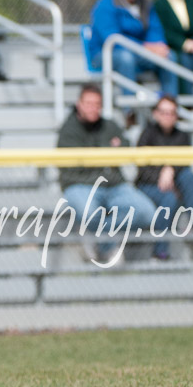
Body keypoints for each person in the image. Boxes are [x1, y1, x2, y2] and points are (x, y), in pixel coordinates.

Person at [57, 84, 158, 263]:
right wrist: (108, 151)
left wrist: (100, 158)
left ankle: (100, 242)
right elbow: (72, 172)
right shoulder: (68, 131)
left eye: (97, 104)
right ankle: (108, 245)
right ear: (78, 104)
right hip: (80, 186)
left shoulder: (109, 124)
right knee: (89, 214)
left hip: (114, 185)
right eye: (88, 103)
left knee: (146, 212)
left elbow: (126, 147)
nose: (93, 108)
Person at [88, 0, 179, 99]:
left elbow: (155, 31)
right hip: (105, 53)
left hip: (139, 52)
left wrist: (158, 46)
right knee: (126, 58)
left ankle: (169, 105)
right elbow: (113, 39)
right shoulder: (106, 4)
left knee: (168, 56)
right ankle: (130, 111)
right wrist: (146, 47)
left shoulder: (146, 5)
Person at [136, 96, 193, 260]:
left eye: (171, 113)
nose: (167, 116)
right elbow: (142, 170)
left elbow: (184, 163)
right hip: (148, 185)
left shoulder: (182, 135)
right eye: (163, 112)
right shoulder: (147, 134)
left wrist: (170, 169)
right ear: (156, 114)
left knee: (188, 177)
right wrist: (163, 174)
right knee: (169, 199)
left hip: (174, 182)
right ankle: (160, 251)